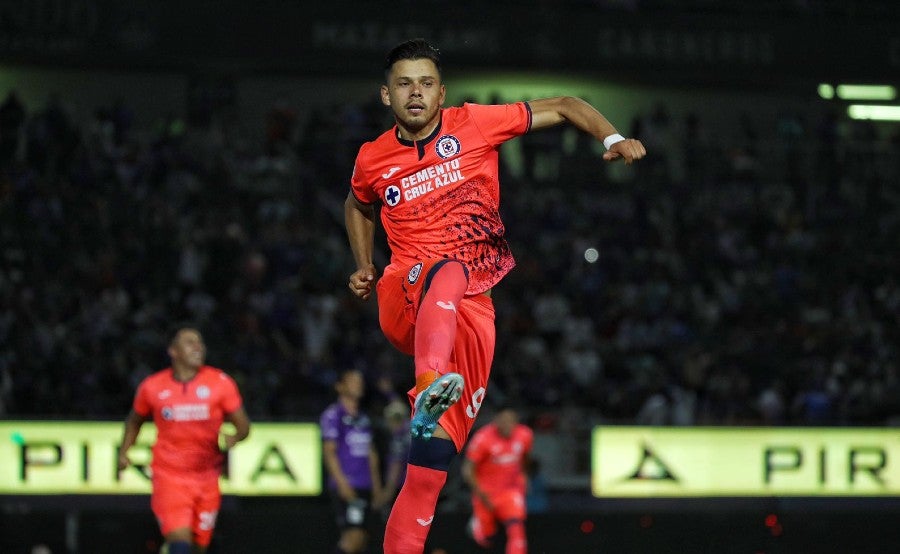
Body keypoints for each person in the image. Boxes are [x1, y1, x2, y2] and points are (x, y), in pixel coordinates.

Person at [343, 38, 646, 553]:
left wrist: (611, 136)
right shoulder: (373, 157)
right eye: (403, 83)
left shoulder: (475, 123)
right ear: (385, 95)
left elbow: (567, 106)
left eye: (425, 83)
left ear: (442, 93)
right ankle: (427, 388)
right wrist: (364, 265)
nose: (414, 93)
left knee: (429, 468)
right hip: (406, 294)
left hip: (469, 312)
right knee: (448, 266)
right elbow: (357, 203)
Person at [118, 327, 250, 554]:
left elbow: (244, 425)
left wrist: (235, 437)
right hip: (169, 476)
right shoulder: (153, 387)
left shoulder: (220, 383)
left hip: (207, 477)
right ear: (173, 351)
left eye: (199, 342)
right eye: (189, 343)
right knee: (180, 541)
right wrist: (124, 451)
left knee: (199, 547)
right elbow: (134, 420)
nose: (198, 347)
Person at [320, 368, 385, 554]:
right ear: (340, 386)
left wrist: (377, 486)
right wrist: (342, 484)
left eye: (360, 381)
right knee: (352, 539)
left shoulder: (363, 418)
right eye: (352, 381)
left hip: (365, 485)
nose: (358, 384)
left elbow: (371, 453)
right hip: (348, 485)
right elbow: (329, 452)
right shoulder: (333, 416)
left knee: (362, 539)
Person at [461, 407, 534, 553]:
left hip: (510, 490)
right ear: (496, 421)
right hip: (485, 492)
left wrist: (524, 475)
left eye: (511, 421)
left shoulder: (525, 435)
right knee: (486, 539)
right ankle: (477, 527)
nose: (508, 425)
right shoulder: (482, 438)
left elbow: (525, 457)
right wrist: (480, 493)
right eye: (504, 421)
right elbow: (467, 470)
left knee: (516, 529)